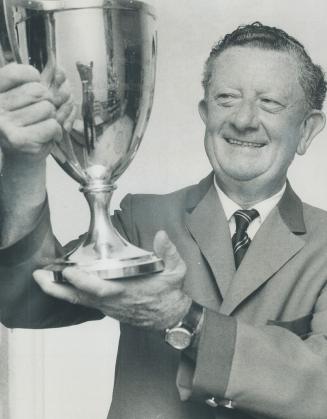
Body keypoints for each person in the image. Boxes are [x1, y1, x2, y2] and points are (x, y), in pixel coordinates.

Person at [1, 22, 327, 419]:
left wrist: (182, 317)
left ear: (308, 130)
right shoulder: (144, 218)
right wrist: (24, 161)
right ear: (205, 114)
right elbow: (23, 304)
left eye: (270, 103)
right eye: (226, 98)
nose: (243, 119)